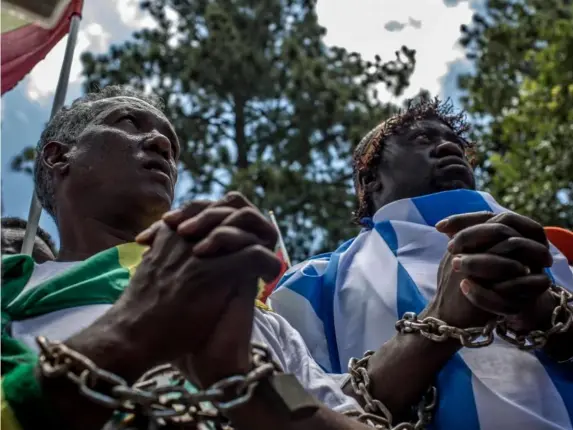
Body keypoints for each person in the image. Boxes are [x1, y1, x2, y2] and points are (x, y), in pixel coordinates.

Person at [2, 84, 407, 430]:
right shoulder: (13, 287)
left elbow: (331, 411)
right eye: (127, 123)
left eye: (172, 146)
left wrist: (248, 382)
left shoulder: (250, 315)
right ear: (58, 158)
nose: (162, 145)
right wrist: (130, 333)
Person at [270, 98, 573, 429]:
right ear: (369, 180)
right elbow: (289, 405)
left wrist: (546, 315)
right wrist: (439, 324)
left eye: (454, 142)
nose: (447, 147)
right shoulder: (312, 283)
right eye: (422, 139)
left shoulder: (552, 254)